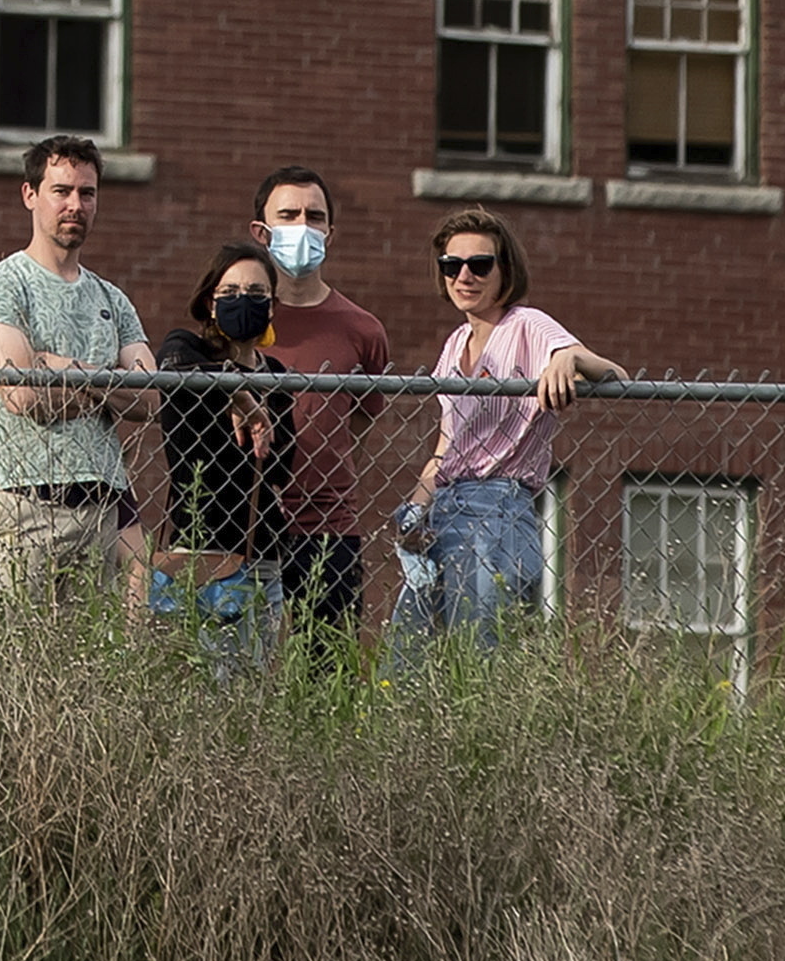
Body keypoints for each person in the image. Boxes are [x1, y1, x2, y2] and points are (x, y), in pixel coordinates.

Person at [398, 212, 622, 649]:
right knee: (410, 654)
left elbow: (612, 370)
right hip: (441, 505)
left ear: (505, 271)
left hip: (496, 506)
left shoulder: (527, 325)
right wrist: (415, 509)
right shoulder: (453, 345)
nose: (465, 276)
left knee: (480, 649)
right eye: (451, 265)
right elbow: (446, 444)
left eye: (480, 265)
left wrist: (568, 359)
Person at [0, 137, 154, 600]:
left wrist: (63, 367)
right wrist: (106, 382)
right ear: (30, 195)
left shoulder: (113, 300)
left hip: (101, 512)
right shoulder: (0, 286)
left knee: (92, 666)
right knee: (17, 664)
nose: (75, 205)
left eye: (87, 194)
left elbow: (149, 399)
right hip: (22, 507)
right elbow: (23, 395)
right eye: (61, 191)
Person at [248, 168, 396, 634]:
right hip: (246, 522)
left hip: (330, 526)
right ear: (261, 232)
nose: (303, 227)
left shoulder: (363, 330)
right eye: (288, 216)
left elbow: (358, 425)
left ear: (330, 232)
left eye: (314, 217)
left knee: (330, 674)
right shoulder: (236, 321)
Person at [150, 246, 295, 666]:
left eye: (254, 291)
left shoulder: (277, 377)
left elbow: (281, 465)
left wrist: (256, 400)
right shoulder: (186, 350)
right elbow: (172, 367)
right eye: (229, 290)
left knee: (251, 686)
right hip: (197, 547)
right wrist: (234, 390)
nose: (241, 300)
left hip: (259, 551)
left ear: (272, 306)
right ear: (211, 303)